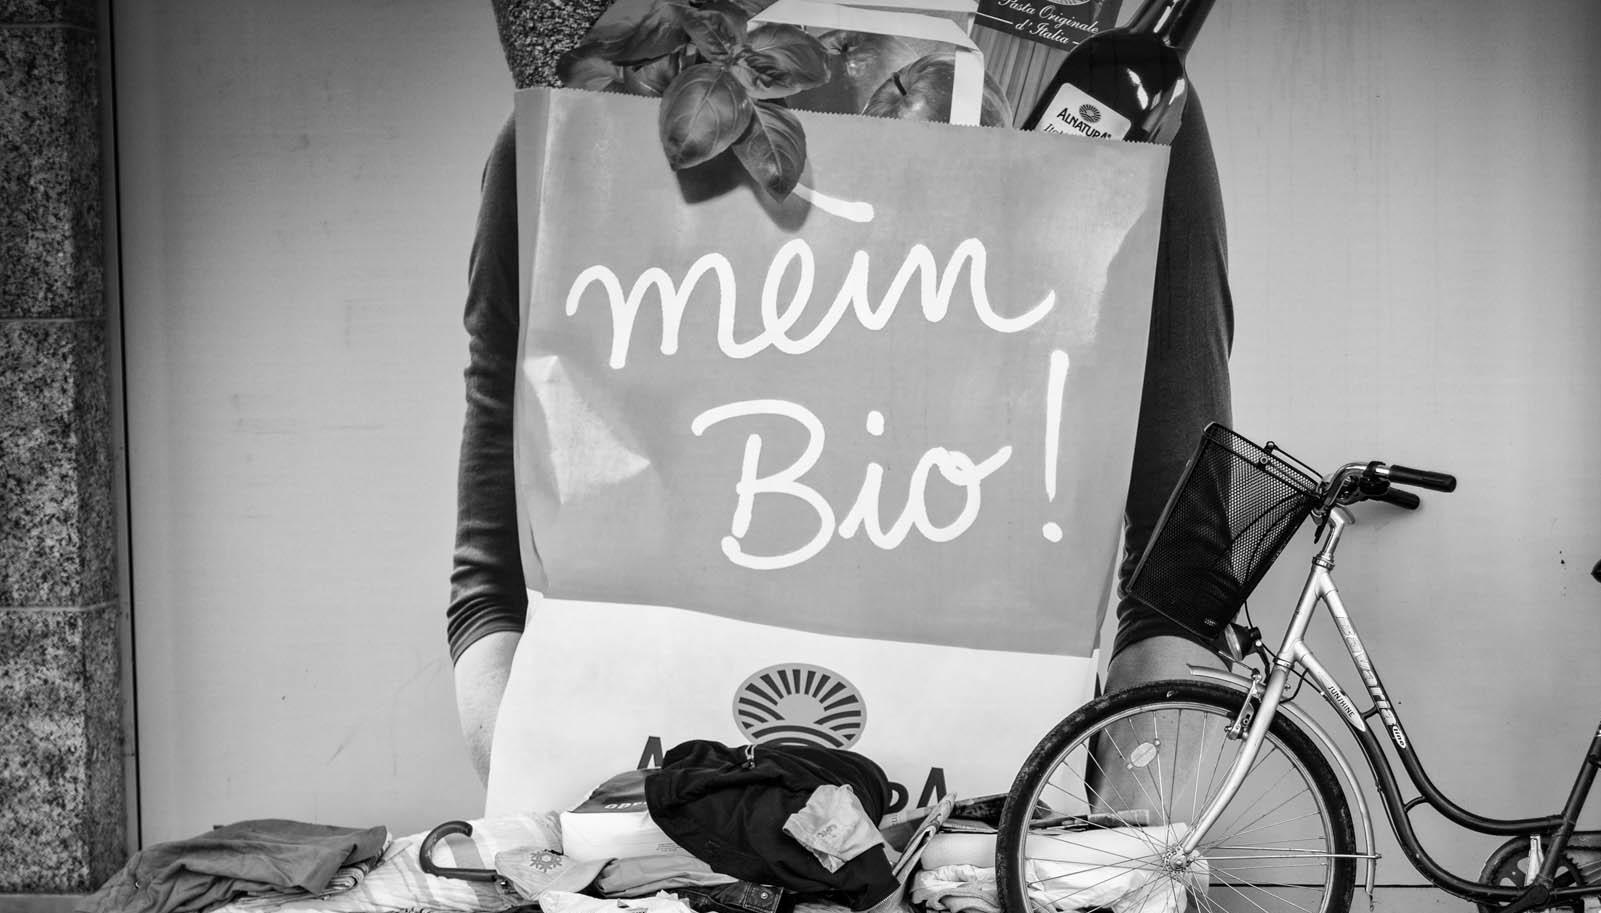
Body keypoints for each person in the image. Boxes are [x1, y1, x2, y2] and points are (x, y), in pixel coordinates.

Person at [449, 1, 1235, 782]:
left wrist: (1124, 832)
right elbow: (493, 563)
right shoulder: (593, 118)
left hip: (979, 829)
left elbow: (1179, 563)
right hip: (637, 818)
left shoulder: (1099, 103)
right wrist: (532, 781)